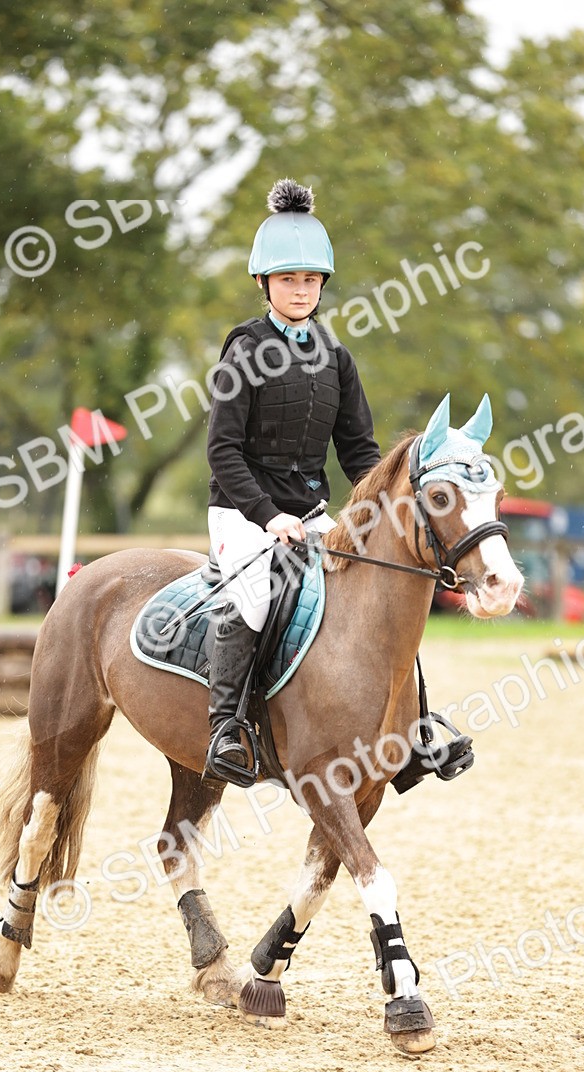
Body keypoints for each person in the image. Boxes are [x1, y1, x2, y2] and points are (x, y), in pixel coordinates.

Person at [205, 178, 381, 784]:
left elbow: (359, 451)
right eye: (288, 280)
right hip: (241, 513)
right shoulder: (243, 351)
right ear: (264, 284)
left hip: (309, 514)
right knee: (256, 593)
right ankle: (227, 727)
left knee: (378, 586)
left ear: (323, 284)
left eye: (310, 279)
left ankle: (414, 724)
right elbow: (222, 450)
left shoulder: (336, 356)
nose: (300, 290)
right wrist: (266, 515)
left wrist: (378, 508)